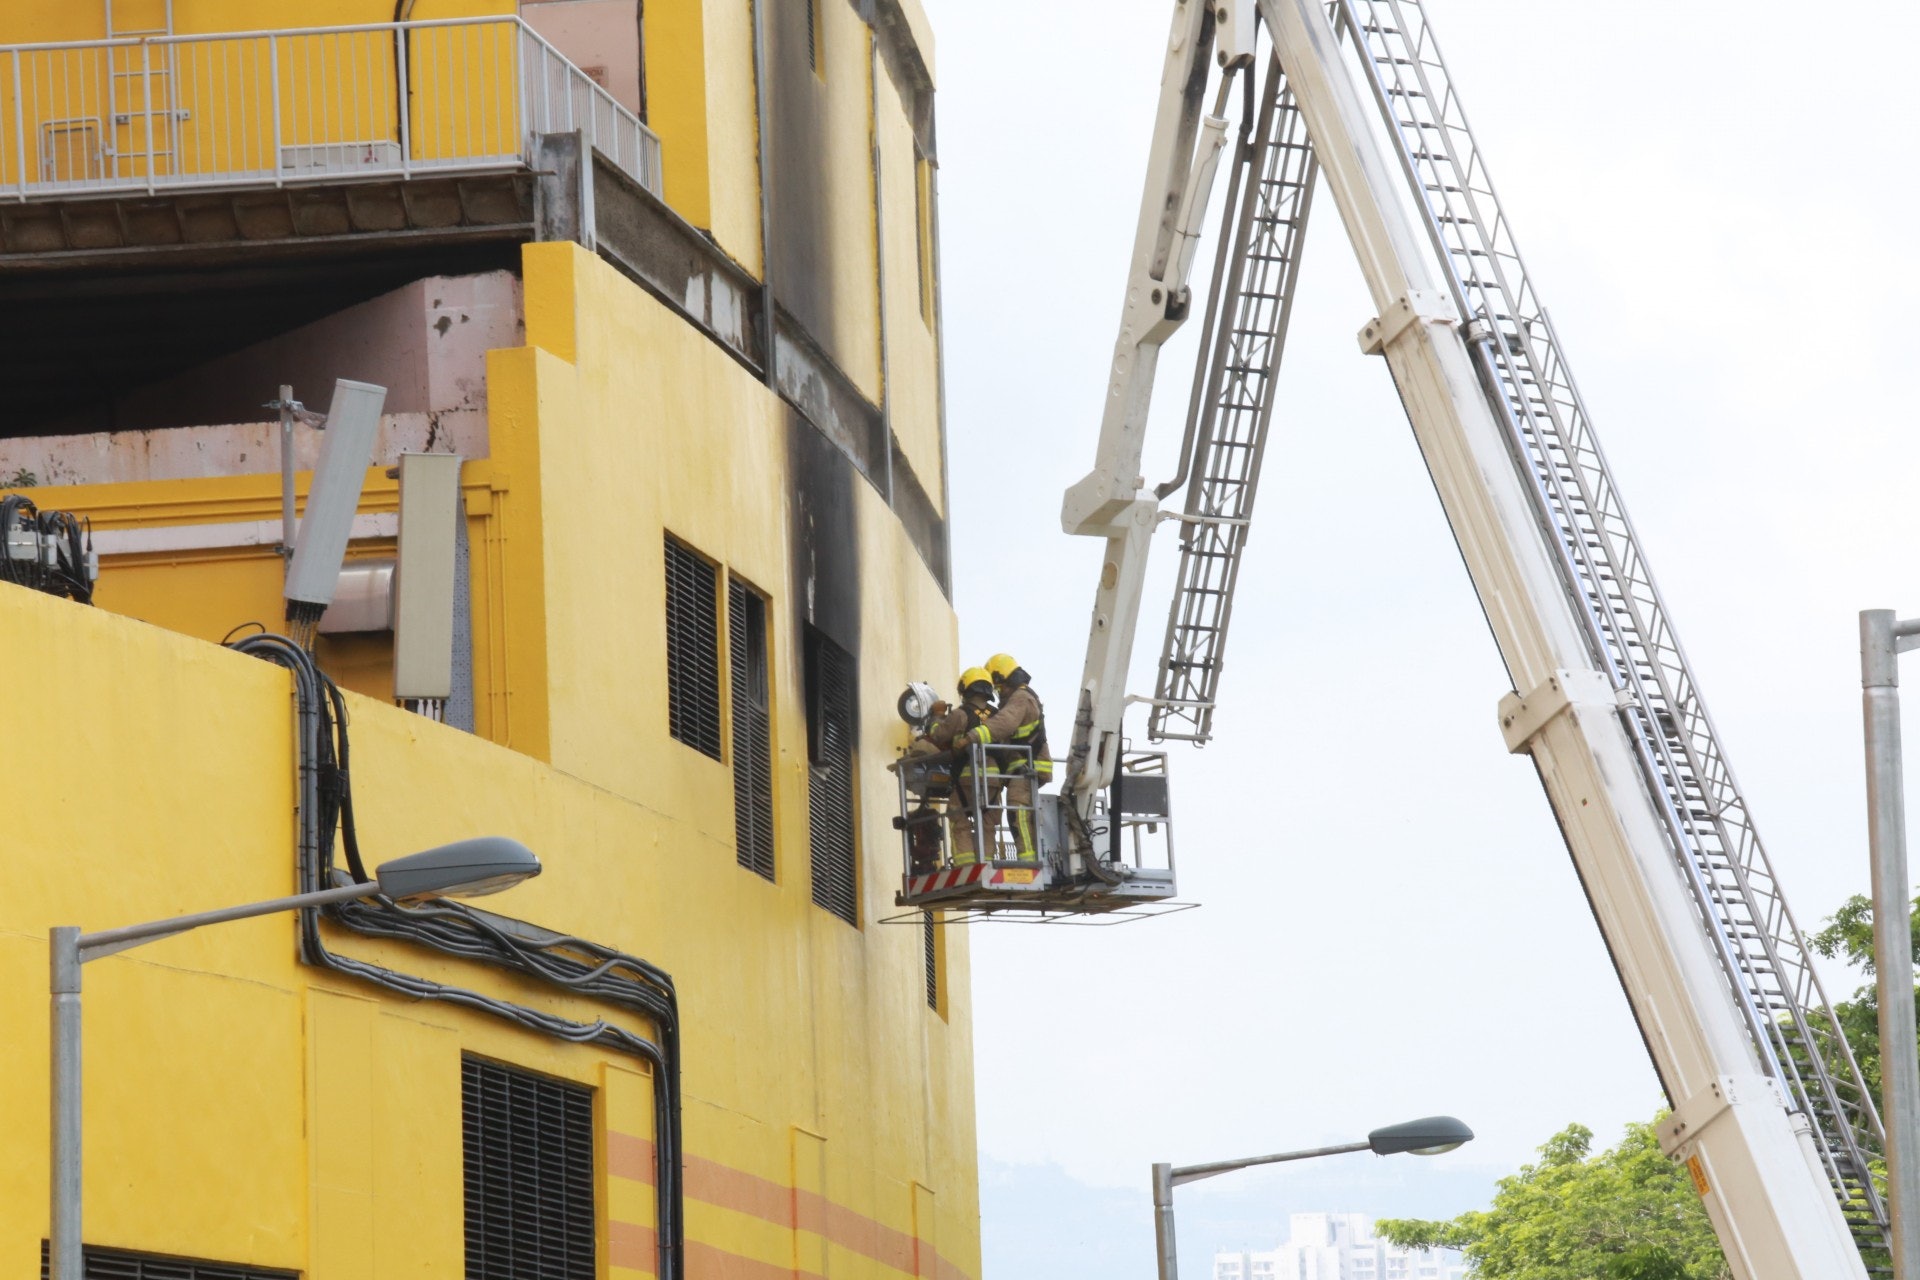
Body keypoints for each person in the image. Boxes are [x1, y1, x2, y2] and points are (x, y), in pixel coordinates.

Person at [904, 667, 997, 866]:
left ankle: (967, 865)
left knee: (958, 818)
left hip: (967, 777)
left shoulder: (960, 714)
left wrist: (937, 715)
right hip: (995, 781)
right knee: (988, 823)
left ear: (966, 690)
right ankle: (987, 864)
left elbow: (939, 734)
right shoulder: (998, 716)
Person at [969, 653, 1051, 863]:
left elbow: (1005, 723)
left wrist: (975, 736)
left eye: (999, 687)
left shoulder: (1020, 697)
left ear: (1005, 679)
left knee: (1018, 814)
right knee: (1017, 813)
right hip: (1023, 768)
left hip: (1026, 768)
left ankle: (1029, 862)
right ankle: (1029, 859)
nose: (999, 693)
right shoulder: (1020, 696)